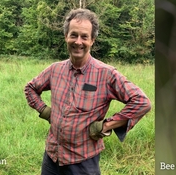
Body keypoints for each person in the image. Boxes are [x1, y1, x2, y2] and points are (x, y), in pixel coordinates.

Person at [24, 8, 151, 175]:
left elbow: (142, 102)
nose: (78, 41)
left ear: (92, 40)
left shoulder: (106, 74)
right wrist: (46, 112)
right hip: (52, 157)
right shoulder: (55, 70)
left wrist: (106, 125)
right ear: (66, 37)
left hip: (83, 162)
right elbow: (30, 88)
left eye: (84, 37)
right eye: (73, 35)